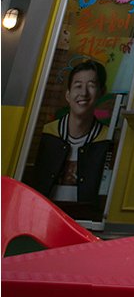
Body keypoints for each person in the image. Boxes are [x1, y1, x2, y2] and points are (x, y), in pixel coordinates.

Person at [32, 59, 113, 205]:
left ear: (102, 92)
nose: (84, 93)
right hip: (42, 212)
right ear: (68, 95)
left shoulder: (108, 139)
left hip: (85, 216)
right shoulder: (45, 134)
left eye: (91, 85)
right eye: (78, 86)